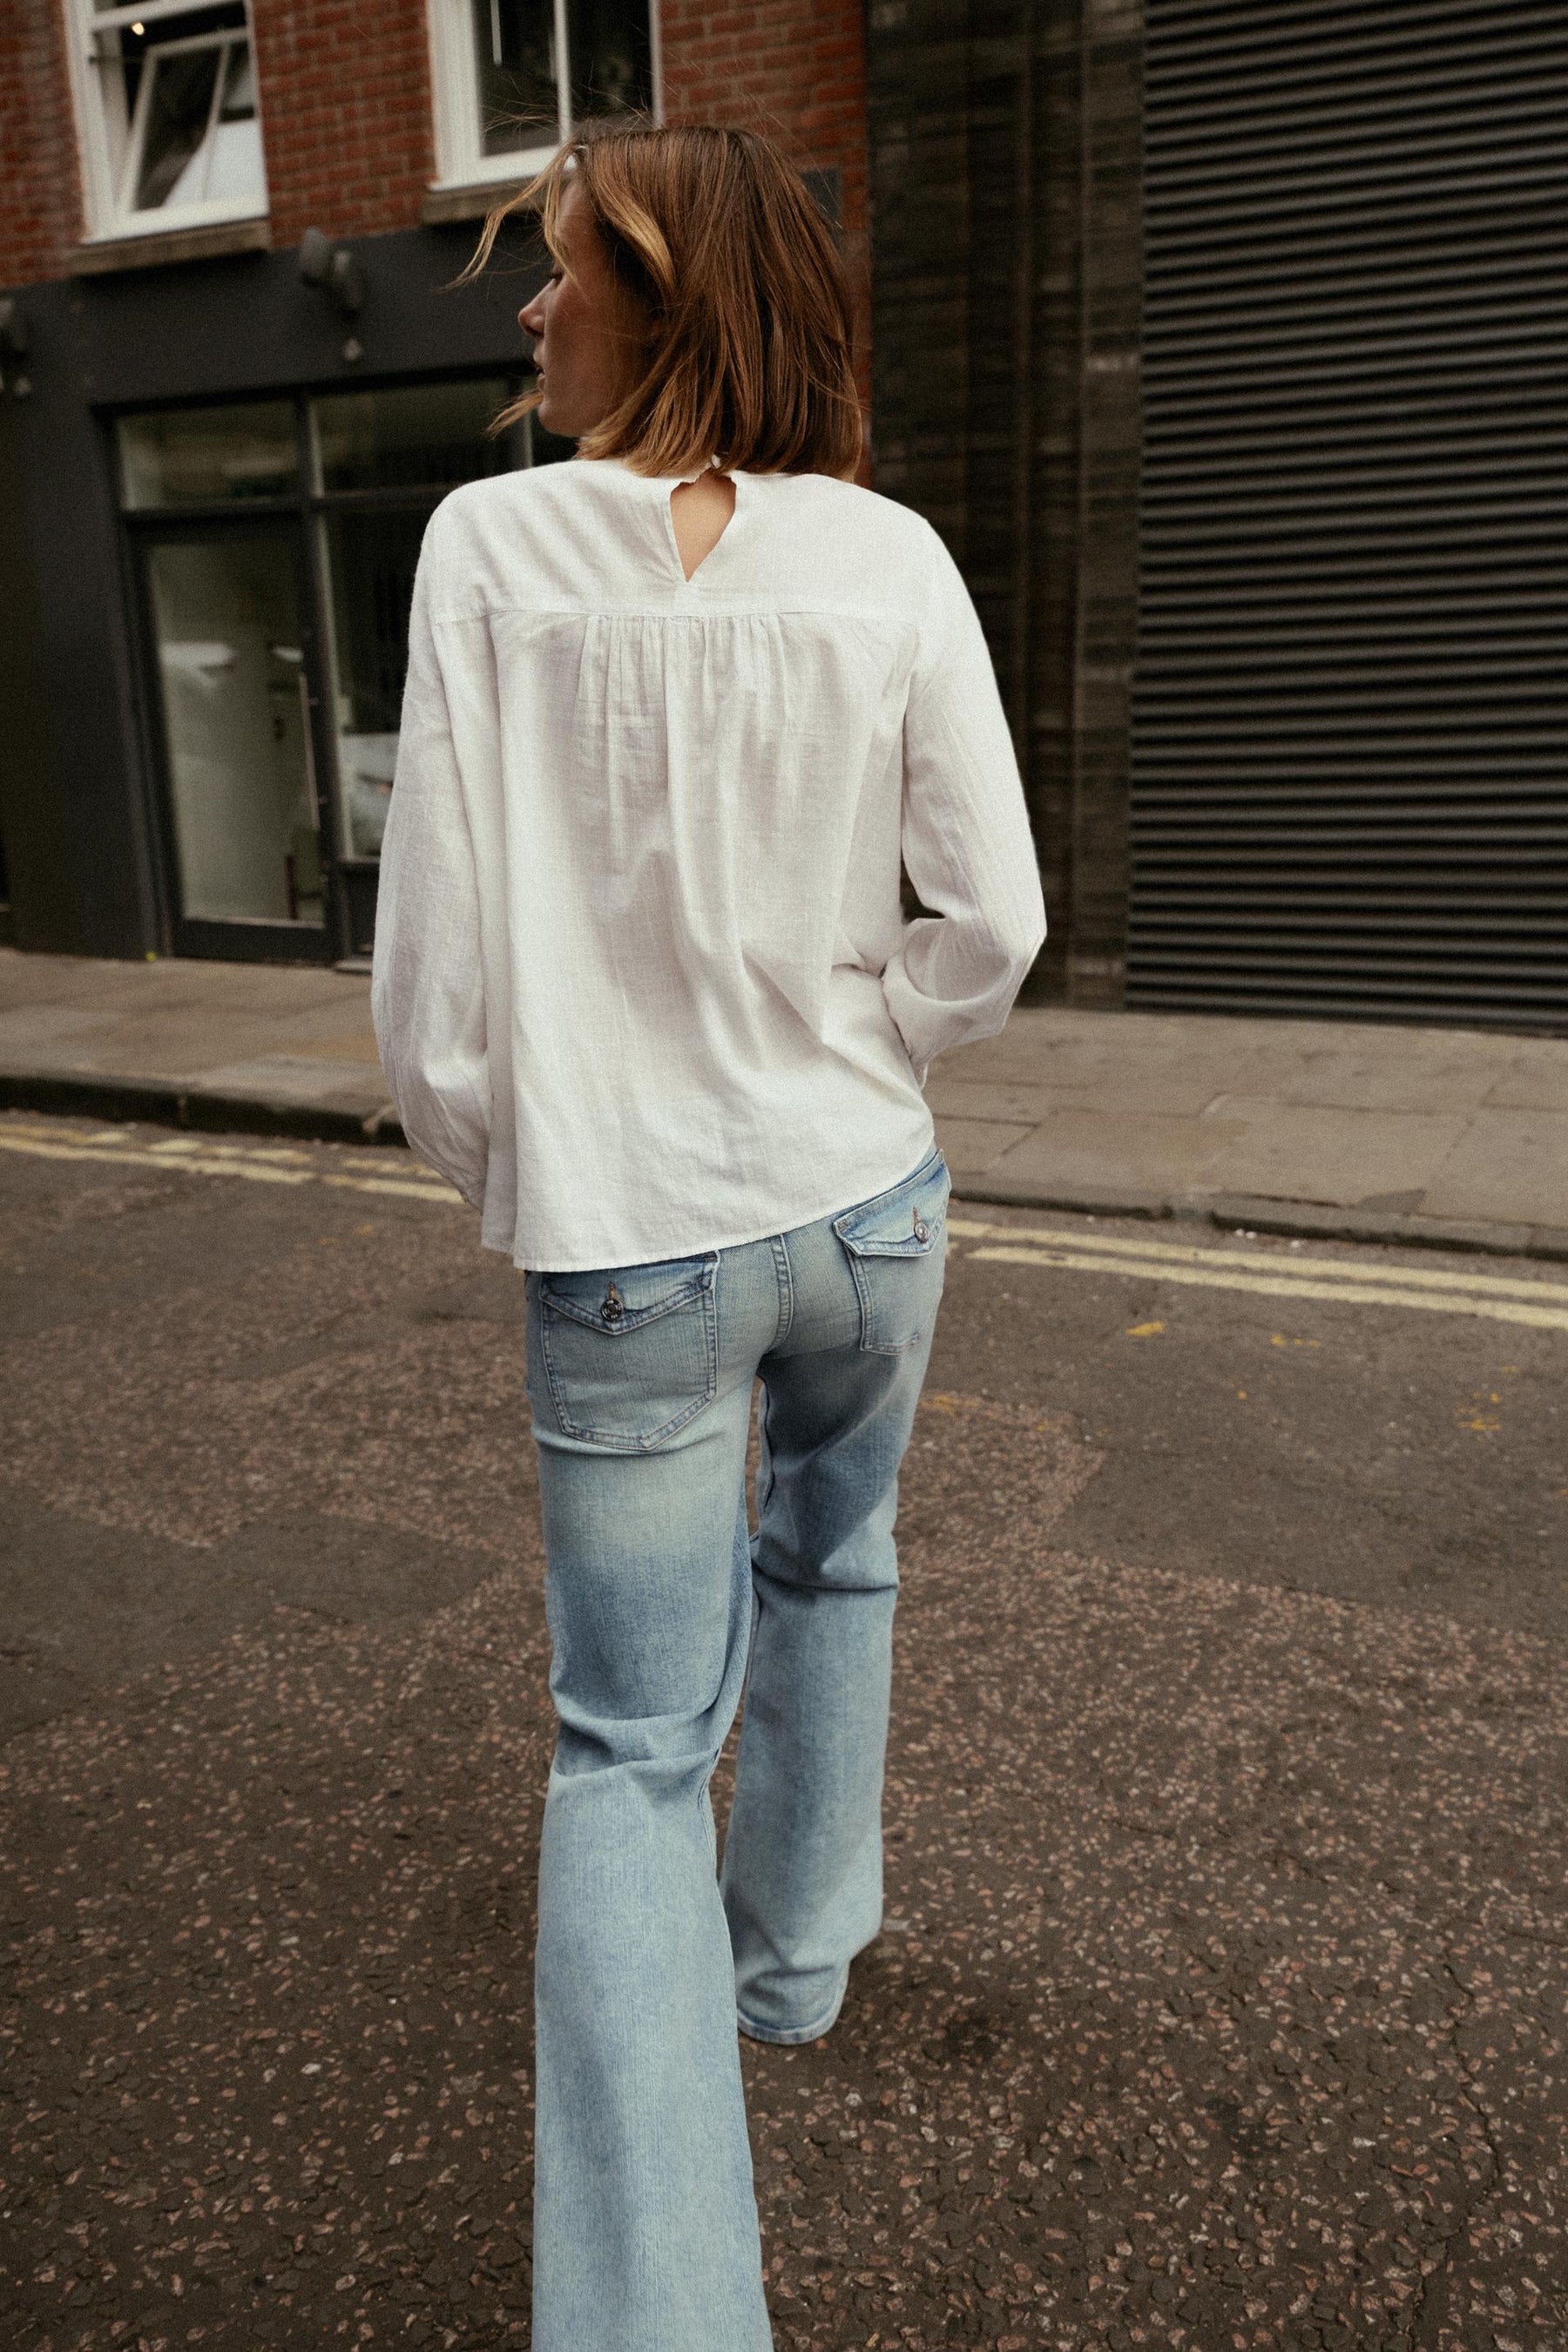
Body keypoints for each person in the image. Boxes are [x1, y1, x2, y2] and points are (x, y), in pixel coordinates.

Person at [370, 115, 1046, 2352]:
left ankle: (659, 2317)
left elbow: (436, 1009)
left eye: (567, 273)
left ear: (674, 301)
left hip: (639, 1240)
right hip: (871, 1205)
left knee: (630, 1751)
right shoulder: (893, 559)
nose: (537, 310)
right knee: (838, 1563)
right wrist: (877, 1044)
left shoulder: (488, 548)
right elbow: (999, 923)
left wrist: (546, 1174)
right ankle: (796, 1971)